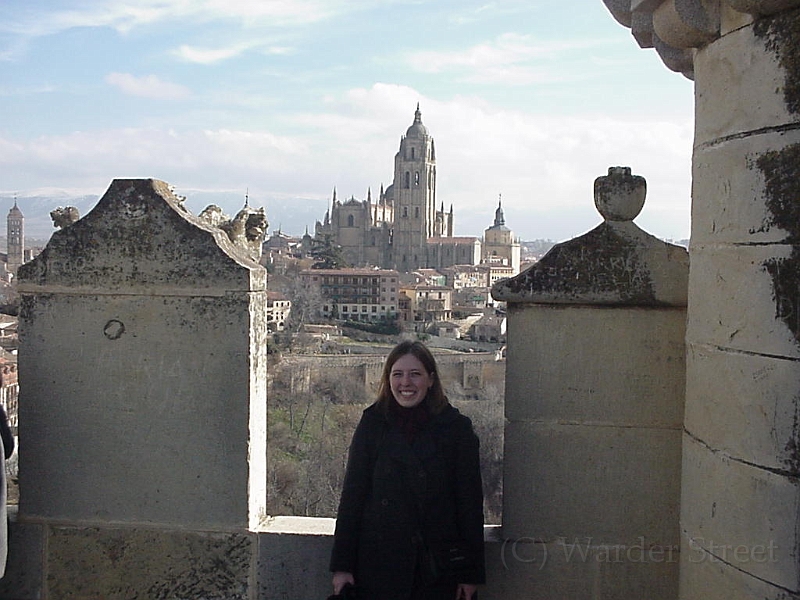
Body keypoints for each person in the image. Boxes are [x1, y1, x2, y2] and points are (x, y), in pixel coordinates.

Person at [330, 341, 485, 600]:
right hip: (378, 566)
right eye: (398, 374)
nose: (406, 383)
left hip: (437, 568)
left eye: (415, 374)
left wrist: (470, 574)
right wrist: (342, 566)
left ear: (431, 379)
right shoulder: (373, 424)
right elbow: (352, 497)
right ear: (388, 380)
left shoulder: (456, 429)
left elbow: (469, 504)